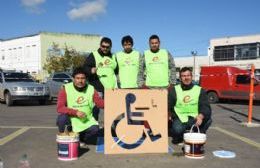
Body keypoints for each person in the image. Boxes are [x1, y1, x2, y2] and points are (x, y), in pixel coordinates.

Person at [56, 67, 104, 145]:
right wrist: (76, 112)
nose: (80, 81)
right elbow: (60, 108)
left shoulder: (91, 88)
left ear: (86, 79)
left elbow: (99, 103)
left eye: (83, 78)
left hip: (86, 120)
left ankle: (80, 138)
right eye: (77, 78)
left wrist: (112, 103)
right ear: (73, 79)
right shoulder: (65, 89)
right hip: (71, 119)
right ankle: (65, 139)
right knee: (62, 119)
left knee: (95, 129)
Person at [168, 67, 212, 144]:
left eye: (188, 75)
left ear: (191, 77)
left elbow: (205, 106)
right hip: (180, 118)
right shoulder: (174, 90)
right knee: (177, 129)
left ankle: (198, 133)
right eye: (183, 76)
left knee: (208, 120)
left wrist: (201, 116)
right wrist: (169, 114)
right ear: (180, 78)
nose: (186, 78)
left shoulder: (199, 90)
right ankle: (179, 136)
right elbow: (169, 104)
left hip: (195, 117)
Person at [83, 37, 118, 127]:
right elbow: (84, 67)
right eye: (103, 46)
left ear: (110, 47)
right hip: (97, 88)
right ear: (100, 45)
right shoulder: (93, 55)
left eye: (107, 47)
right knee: (95, 109)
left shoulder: (113, 56)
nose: (105, 48)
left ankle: (112, 130)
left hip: (111, 89)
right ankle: (93, 129)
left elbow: (116, 71)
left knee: (112, 110)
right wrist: (91, 70)